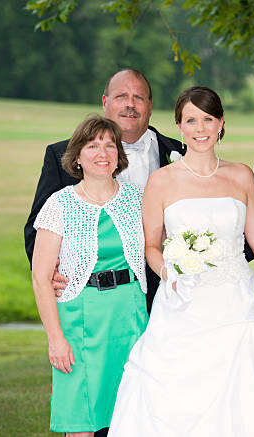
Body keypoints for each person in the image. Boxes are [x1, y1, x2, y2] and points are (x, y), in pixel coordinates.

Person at [108, 86, 254, 436]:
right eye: (190, 120)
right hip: (182, 302)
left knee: (249, 393)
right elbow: (151, 246)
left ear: (220, 124)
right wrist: (170, 272)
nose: (199, 129)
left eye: (207, 119)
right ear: (179, 126)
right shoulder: (161, 181)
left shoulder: (241, 175)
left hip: (236, 303)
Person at [24, 68, 183, 312]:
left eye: (138, 98)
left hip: (172, 289)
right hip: (94, 299)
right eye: (121, 96)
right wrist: (52, 270)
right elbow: (39, 226)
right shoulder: (61, 155)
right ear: (105, 102)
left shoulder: (181, 155)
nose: (130, 104)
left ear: (149, 106)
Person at [31, 115, 149, 436]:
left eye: (110, 145)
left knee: (133, 414)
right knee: (81, 420)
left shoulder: (138, 199)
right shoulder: (60, 204)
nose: (102, 152)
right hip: (79, 321)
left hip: (131, 317)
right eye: (92, 145)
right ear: (78, 156)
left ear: (118, 156)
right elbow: (41, 278)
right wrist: (56, 339)